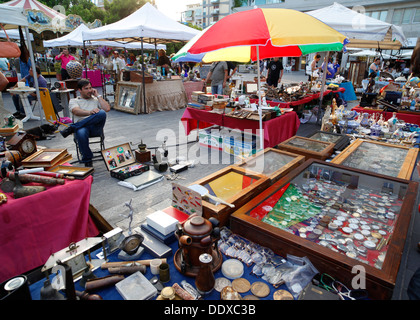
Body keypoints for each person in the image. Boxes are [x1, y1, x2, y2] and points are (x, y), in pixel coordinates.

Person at [59, 79, 111, 167]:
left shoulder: (96, 99)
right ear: (79, 90)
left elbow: (107, 109)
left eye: (90, 88)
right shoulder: (74, 100)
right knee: (81, 132)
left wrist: (98, 95)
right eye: (86, 88)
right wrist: (90, 112)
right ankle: (87, 159)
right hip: (83, 128)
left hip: (95, 128)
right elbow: (76, 111)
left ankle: (72, 128)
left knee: (102, 113)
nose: (89, 90)